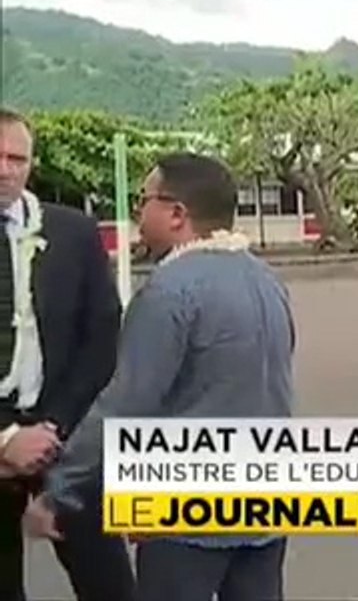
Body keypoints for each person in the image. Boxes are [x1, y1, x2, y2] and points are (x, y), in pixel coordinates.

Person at [25, 152, 296, 601]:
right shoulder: (266, 280)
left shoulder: (170, 291)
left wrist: (59, 490)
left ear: (176, 214)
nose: (137, 213)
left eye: (143, 200)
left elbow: (126, 402)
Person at [0, 108, 135, 601]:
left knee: (110, 585)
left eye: (17, 158)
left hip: (65, 438)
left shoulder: (73, 232)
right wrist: (6, 439)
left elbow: (101, 339)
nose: (6, 169)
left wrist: (52, 427)